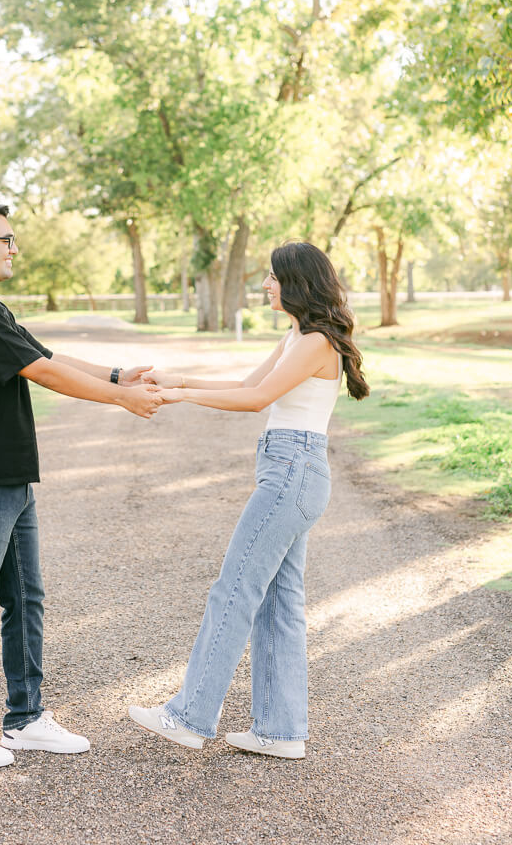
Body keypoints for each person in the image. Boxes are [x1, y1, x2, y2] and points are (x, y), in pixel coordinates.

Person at [0, 199, 161, 769]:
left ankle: (25, 718)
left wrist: (112, 374)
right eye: (5, 238)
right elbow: (43, 372)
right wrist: (121, 399)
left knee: (25, 599)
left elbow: (46, 353)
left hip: (8, 476)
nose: (13, 248)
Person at [128, 241, 369, 759]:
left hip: (293, 471)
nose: (266, 285)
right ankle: (281, 732)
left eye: (273, 277)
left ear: (298, 282)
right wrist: (183, 379)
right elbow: (246, 384)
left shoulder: (315, 342)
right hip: (292, 470)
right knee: (279, 604)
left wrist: (180, 397)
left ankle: (189, 717)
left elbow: (255, 401)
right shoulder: (299, 335)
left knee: (234, 589)